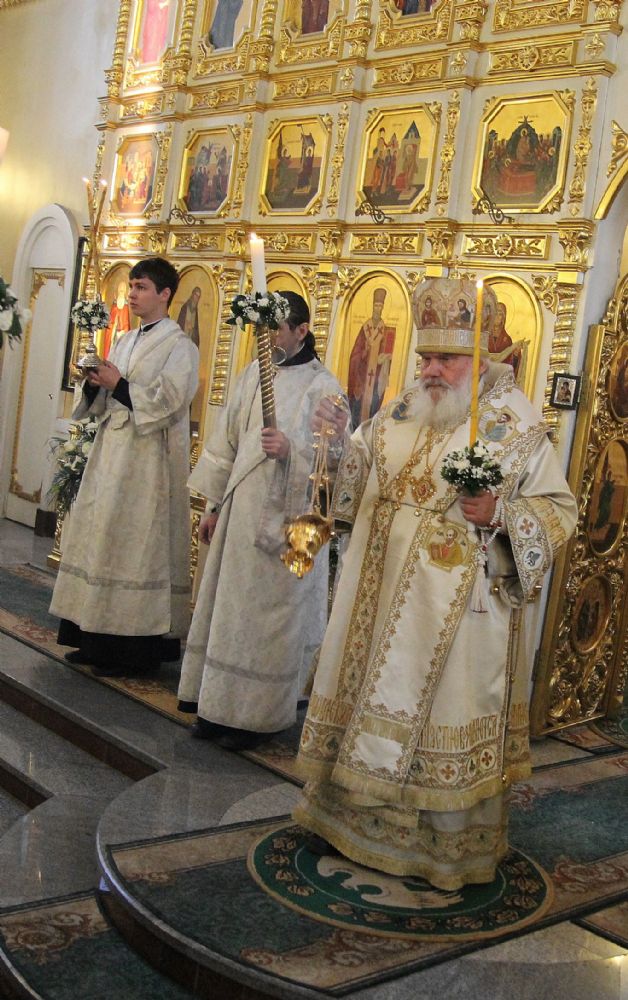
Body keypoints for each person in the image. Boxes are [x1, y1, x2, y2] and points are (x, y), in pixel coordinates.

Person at [292, 276, 578, 891]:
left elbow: (559, 511)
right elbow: (353, 480)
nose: (430, 371)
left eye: (446, 358)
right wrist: (333, 441)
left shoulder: (517, 425)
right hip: (376, 594)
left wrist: (501, 514)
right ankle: (342, 820)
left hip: (456, 610)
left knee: (439, 711)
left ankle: (439, 847)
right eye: (425, 357)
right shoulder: (402, 408)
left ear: (479, 356)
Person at [177, 291, 347, 750]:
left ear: (302, 331)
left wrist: (293, 452)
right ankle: (216, 706)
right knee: (230, 613)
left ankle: (256, 718)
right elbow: (226, 441)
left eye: (277, 328)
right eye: (264, 328)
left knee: (274, 620)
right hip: (240, 514)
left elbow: (337, 465)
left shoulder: (325, 387)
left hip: (293, 527)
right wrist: (213, 506)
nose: (268, 337)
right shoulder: (254, 373)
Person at [50, 257, 199, 677]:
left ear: (165, 294)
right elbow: (104, 402)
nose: (132, 294)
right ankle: (91, 638)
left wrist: (119, 385)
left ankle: (128, 652)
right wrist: (95, 383)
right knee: (101, 540)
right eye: (131, 286)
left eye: (141, 287)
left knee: (134, 548)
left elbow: (171, 401)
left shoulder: (180, 346)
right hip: (110, 455)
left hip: (146, 463)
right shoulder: (125, 339)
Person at [347, 288, 396, 427]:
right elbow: (354, 356)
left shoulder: (386, 332)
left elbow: (389, 357)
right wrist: (364, 352)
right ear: (372, 306)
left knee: (372, 415)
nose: (378, 309)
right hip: (361, 381)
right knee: (355, 415)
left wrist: (384, 360)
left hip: (375, 382)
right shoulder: (365, 329)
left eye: (380, 306)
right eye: (376, 306)